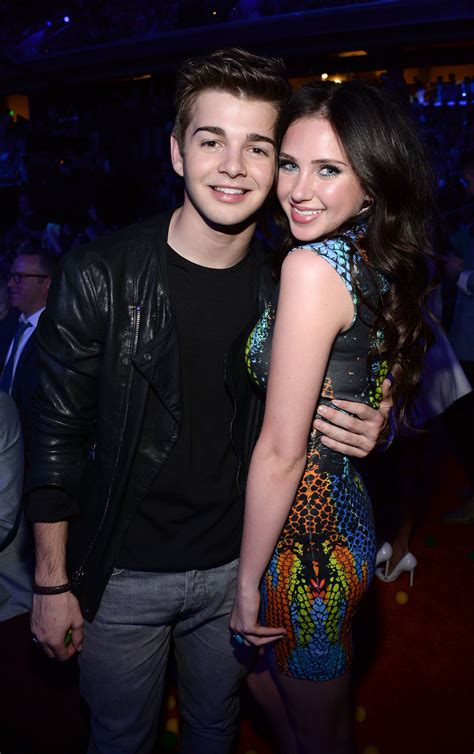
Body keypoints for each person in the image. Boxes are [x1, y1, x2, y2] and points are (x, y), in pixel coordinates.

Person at [26, 50, 389, 754]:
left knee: (216, 733)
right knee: (120, 739)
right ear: (176, 152)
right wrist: (49, 582)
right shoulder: (99, 275)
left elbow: (366, 360)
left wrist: (378, 418)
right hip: (121, 574)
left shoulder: (289, 279)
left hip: (235, 566)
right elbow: (55, 435)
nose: (233, 167)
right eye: (211, 140)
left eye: (258, 148)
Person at [230, 79, 435, 754]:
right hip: (341, 522)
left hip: (301, 547)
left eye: (328, 170)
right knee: (298, 714)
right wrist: (384, 414)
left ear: (370, 185)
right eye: (290, 164)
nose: (298, 189)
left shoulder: (313, 266)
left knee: (315, 733)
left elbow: (281, 450)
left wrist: (245, 583)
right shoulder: (371, 258)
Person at [0, 250, 57, 449]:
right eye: (11, 276)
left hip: (31, 446)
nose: (10, 284)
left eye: (19, 277)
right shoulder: (9, 324)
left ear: (45, 283)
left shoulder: (57, 333)